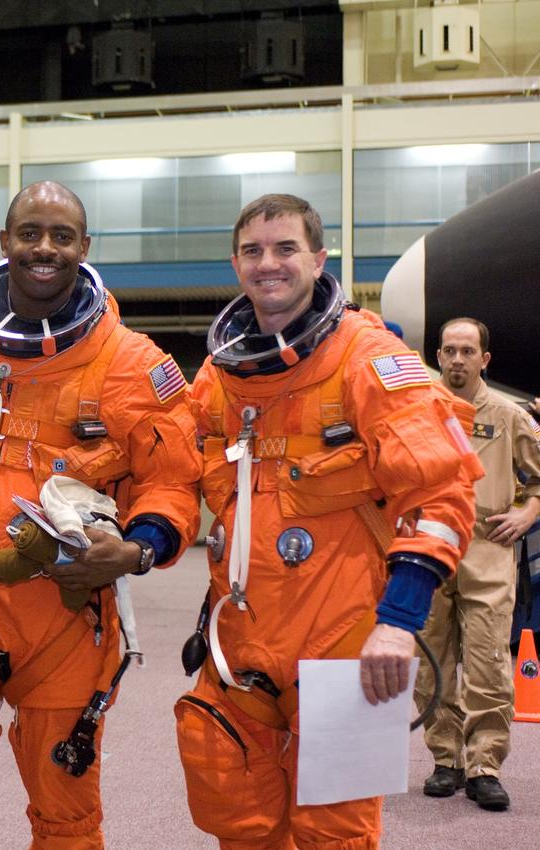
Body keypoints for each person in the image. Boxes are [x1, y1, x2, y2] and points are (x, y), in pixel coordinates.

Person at [0, 181, 202, 849]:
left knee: (66, 818)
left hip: (63, 622)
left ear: (84, 247)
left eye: (61, 236)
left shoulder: (130, 364)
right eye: (30, 233)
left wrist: (138, 550)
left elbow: (172, 484)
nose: (44, 248)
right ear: (5, 242)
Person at [181, 193, 479, 849]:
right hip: (240, 639)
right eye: (254, 251)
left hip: (348, 643)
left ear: (318, 258)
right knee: (240, 825)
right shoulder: (219, 376)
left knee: (336, 836)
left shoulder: (369, 359)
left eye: (286, 248)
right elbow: (173, 469)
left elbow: (441, 493)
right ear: (236, 264)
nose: (270, 264)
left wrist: (400, 623)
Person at [414, 317, 540, 811]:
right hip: (428, 548)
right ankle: (447, 760)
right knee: (432, 660)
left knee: (488, 661)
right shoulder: (418, 411)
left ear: (484, 359)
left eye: (468, 351)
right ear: (439, 357)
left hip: (487, 547)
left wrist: (528, 511)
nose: (458, 360)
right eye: (450, 351)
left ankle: (485, 764)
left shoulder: (510, 417)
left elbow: (536, 480)